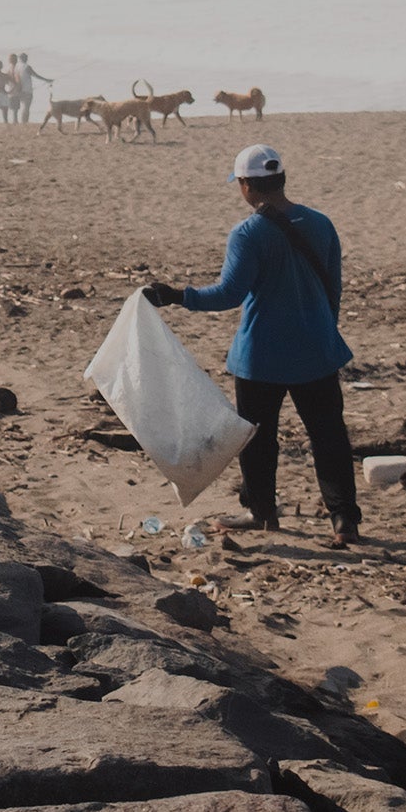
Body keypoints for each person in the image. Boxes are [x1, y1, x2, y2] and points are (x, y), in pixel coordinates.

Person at [143, 143, 361, 545]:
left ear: (246, 185)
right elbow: (334, 287)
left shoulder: (248, 233)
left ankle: (262, 513)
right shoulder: (320, 223)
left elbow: (228, 294)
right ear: (280, 179)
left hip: (262, 357)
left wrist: (177, 295)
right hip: (318, 352)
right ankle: (344, 520)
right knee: (329, 436)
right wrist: (322, 329)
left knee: (259, 439)